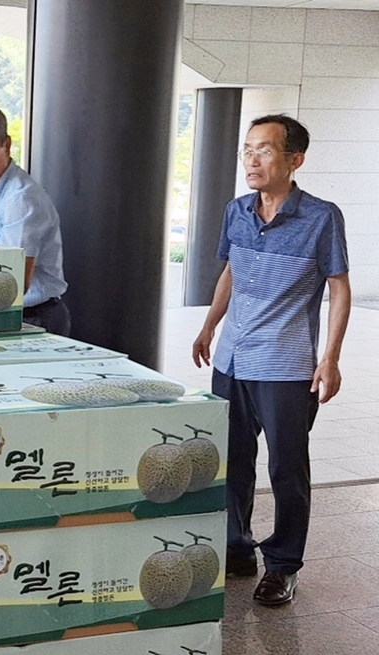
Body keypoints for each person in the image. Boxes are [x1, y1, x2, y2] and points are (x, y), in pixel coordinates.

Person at [192, 114, 351, 607]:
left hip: (286, 366)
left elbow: (340, 288)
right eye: (247, 150)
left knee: (287, 470)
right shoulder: (236, 211)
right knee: (231, 462)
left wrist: (331, 358)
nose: (251, 160)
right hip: (233, 360)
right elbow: (230, 272)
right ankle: (236, 548)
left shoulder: (322, 217)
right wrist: (209, 326)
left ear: (293, 159)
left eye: (264, 150)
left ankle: (283, 565)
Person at [0, 104, 70, 335]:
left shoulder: (20, 199)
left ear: (5, 145)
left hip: (34, 318)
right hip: (0, 312)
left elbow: (11, 282)